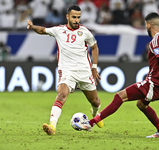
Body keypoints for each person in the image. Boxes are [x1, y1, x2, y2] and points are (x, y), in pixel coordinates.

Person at [76, 12, 159, 138]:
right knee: (141, 104)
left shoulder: (156, 41)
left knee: (120, 96)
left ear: (149, 25)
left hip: (154, 83)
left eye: (145, 25)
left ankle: (91, 123)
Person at [27, 4, 103, 135]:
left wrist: (94, 68)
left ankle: (95, 114)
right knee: (61, 95)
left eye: (78, 17)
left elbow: (95, 47)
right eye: (74, 17)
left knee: (95, 102)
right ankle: (52, 126)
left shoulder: (85, 31)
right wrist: (32, 26)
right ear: (67, 16)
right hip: (67, 71)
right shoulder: (59, 30)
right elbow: (42, 30)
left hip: (84, 71)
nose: (76, 20)